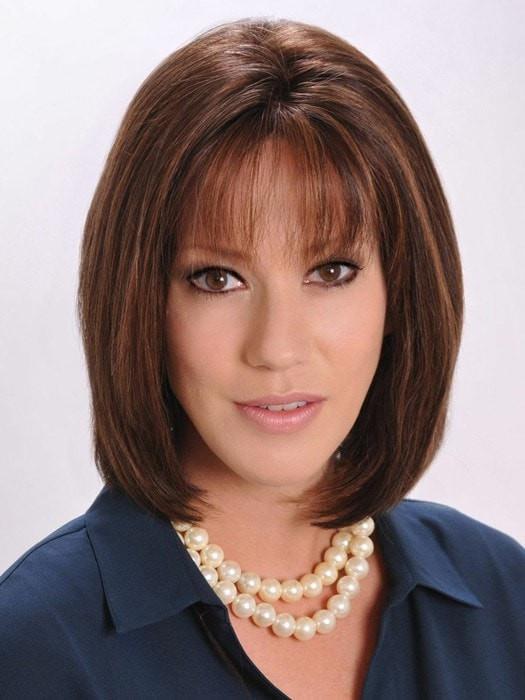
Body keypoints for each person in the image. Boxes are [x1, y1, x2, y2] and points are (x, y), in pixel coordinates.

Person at [1, 16, 524, 700]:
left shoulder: (503, 596)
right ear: (141, 305)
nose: (277, 348)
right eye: (217, 279)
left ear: (401, 291)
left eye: (331, 271)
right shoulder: (37, 644)